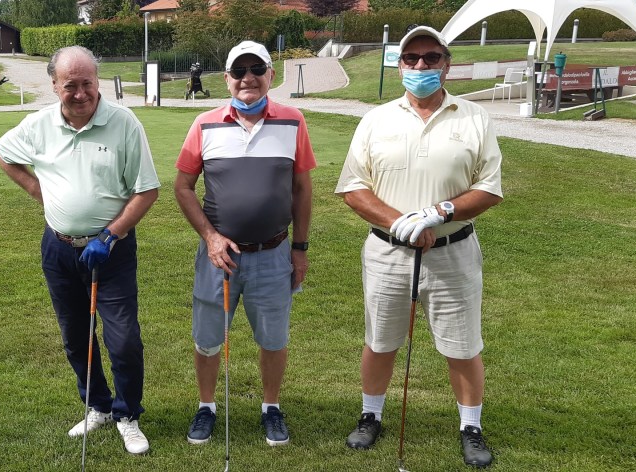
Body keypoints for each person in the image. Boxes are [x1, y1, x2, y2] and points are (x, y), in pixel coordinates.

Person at [334, 25, 502, 468]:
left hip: (453, 250)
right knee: (380, 340)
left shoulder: (474, 117)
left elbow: (489, 188)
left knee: (462, 345)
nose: (421, 65)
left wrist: (439, 212)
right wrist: (402, 222)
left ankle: (471, 425)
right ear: (400, 65)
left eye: (431, 57)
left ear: (446, 64)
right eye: (411, 58)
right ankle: (371, 415)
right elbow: (353, 187)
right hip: (388, 251)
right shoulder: (376, 119)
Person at [0, 45, 160, 455]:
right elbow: (2, 152)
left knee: (123, 339)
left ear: (97, 81)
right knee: (75, 336)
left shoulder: (123, 123)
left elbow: (146, 190)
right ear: (54, 85)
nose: (81, 93)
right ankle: (97, 405)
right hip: (59, 249)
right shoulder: (39, 125)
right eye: (71, 85)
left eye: (88, 83)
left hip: (111, 250)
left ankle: (127, 414)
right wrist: (39, 191)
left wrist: (111, 235)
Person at [174, 40, 316, 447]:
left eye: (256, 69)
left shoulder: (293, 121)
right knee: (207, 338)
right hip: (218, 257)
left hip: (273, 253)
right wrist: (211, 237)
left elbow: (302, 189)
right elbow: (183, 186)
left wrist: (300, 249)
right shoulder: (204, 124)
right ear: (227, 79)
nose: (247, 78)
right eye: (239, 71)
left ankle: (271, 407)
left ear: (271, 74)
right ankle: (206, 406)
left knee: (273, 338)